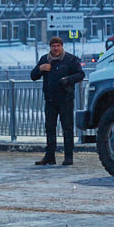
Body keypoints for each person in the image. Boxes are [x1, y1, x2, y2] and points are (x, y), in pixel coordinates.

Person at [31, 36, 85, 166]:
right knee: (49, 128)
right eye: (53, 46)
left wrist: (67, 80)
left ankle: (68, 157)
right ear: (50, 47)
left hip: (65, 99)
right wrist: (40, 69)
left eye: (58, 46)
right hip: (50, 100)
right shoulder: (45, 59)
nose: (56, 48)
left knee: (67, 128)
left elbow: (81, 74)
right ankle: (50, 157)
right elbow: (33, 76)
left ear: (62, 46)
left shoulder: (70, 59)